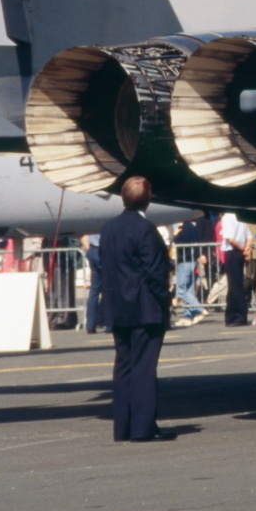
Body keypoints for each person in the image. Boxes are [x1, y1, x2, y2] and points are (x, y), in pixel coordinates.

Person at [98, 177, 175, 442]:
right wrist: (166, 298)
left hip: (118, 308)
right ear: (148, 198)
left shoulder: (108, 228)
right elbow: (155, 272)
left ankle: (123, 427)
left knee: (124, 367)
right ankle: (143, 428)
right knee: (144, 368)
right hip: (144, 308)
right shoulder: (145, 229)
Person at [218, 211, 253, 326]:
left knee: (235, 286)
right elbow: (249, 236)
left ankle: (239, 316)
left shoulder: (227, 218)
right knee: (236, 284)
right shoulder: (240, 216)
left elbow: (230, 238)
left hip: (233, 252)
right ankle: (231, 315)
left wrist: (242, 248)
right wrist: (246, 248)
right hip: (239, 252)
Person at [81, 234, 106, 334]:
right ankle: (109, 324)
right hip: (103, 250)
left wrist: (88, 249)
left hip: (93, 249)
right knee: (108, 289)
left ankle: (90, 325)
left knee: (94, 291)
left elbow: (84, 236)